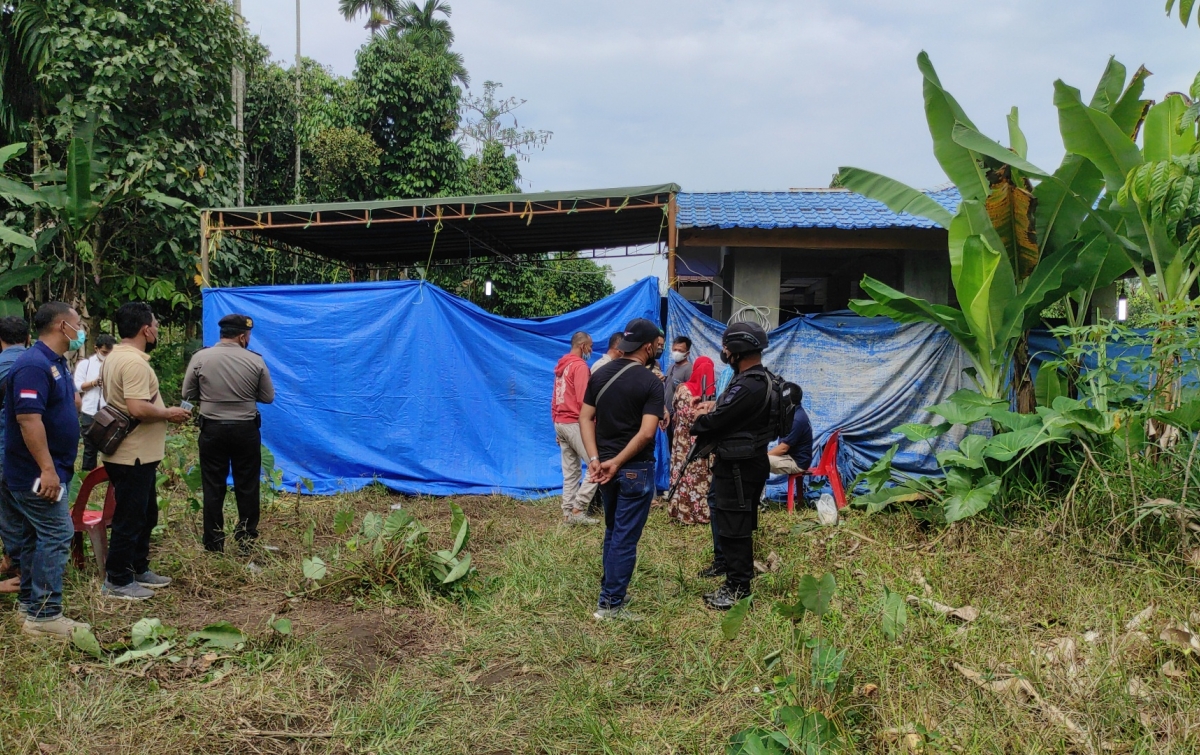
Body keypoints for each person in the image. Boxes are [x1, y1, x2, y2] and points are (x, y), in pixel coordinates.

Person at [0, 302, 89, 636]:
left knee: (33, 535)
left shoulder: (55, 363)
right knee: (57, 533)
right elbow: (27, 419)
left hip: (46, 470)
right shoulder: (33, 365)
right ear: (61, 326)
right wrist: (47, 470)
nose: (81, 330)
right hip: (36, 474)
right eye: (78, 323)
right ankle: (45, 614)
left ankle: (29, 605)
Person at [100, 302, 190, 600]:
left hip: (135, 453)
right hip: (133, 454)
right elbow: (137, 407)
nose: (158, 329)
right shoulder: (135, 363)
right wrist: (169, 413)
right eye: (156, 324)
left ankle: (138, 567)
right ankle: (118, 578)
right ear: (145, 329)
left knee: (146, 513)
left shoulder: (115, 356)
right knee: (130, 517)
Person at [579, 318, 665, 621]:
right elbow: (646, 434)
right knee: (625, 537)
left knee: (613, 530)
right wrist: (618, 462)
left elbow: (585, 418)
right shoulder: (651, 382)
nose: (658, 350)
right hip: (634, 469)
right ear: (646, 347)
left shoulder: (600, 374)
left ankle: (611, 588)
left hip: (603, 468)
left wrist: (595, 458)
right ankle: (611, 603)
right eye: (656, 345)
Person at [691, 321, 776, 610]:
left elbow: (719, 420)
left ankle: (738, 589)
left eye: (727, 347)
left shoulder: (749, 385)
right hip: (746, 463)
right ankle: (734, 579)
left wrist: (697, 421)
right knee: (734, 524)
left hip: (740, 468)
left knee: (734, 527)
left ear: (738, 350)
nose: (723, 352)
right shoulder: (759, 379)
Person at [183, 314, 275, 554]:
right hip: (245, 430)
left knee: (213, 485)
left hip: (212, 429)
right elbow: (268, 397)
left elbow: (188, 393)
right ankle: (245, 540)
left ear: (222, 333)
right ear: (243, 336)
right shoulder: (255, 361)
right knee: (247, 485)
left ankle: (213, 544)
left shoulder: (200, 357)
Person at [552, 331, 599, 526]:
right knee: (597, 467)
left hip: (561, 422)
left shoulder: (562, 366)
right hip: (574, 422)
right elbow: (584, 401)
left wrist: (556, 424)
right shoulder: (580, 367)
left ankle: (567, 514)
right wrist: (593, 425)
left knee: (570, 471)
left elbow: (555, 398)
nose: (591, 350)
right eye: (590, 346)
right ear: (583, 346)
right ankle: (578, 509)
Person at [667, 356, 716, 525]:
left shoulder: (689, 390)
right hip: (694, 441)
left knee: (690, 474)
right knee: (693, 474)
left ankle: (690, 511)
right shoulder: (694, 392)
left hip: (690, 441)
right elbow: (692, 417)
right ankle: (692, 512)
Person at [0, 315, 28, 593]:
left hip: (2, 452)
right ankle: (24, 564)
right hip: (31, 455)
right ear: (28, 338)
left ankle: (19, 563)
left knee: (7, 511)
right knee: (29, 511)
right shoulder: (37, 365)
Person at [74, 333, 116, 472]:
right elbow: (78, 386)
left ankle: (109, 477)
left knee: (110, 446)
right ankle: (87, 477)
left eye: (110, 353)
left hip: (110, 411)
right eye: (104, 352)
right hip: (89, 411)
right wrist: (94, 382)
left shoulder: (116, 365)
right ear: (96, 348)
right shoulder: (85, 365)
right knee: (89, 449)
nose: (107, 356)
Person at [768, 388, 813, 477]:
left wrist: (761, 457)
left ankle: (754, 490)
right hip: (792, 457)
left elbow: (783, 449)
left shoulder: (796, 419)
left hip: (796, 462)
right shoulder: (795, 412)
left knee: (758, 462)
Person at [662, 336, 694, 448]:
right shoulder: (671, 367)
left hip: (679, 418)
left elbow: (690, 395)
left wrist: (678, 413)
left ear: (687, 353)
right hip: (668, 414)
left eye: (680, 351)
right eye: (675, 349)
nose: (676, 353)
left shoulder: (689, 370)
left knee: (679, 447)